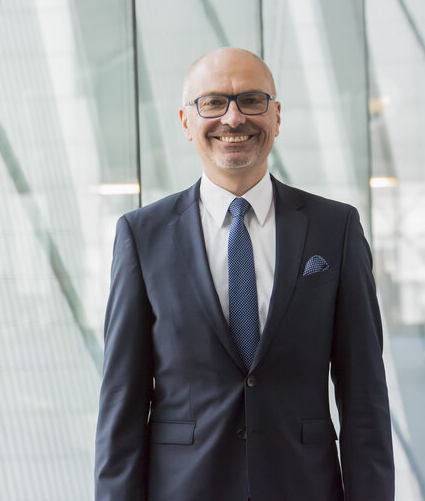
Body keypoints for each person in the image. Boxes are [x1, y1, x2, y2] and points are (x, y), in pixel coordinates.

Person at [94, 48, 394, 500]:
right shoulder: (142, 235)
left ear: (276, 116)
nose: (233, 119)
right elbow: (122, 402)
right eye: (213, 103)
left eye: (251, 100)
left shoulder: (336, 228)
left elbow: (364, 398)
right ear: (184, 121)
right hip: (184, 488)